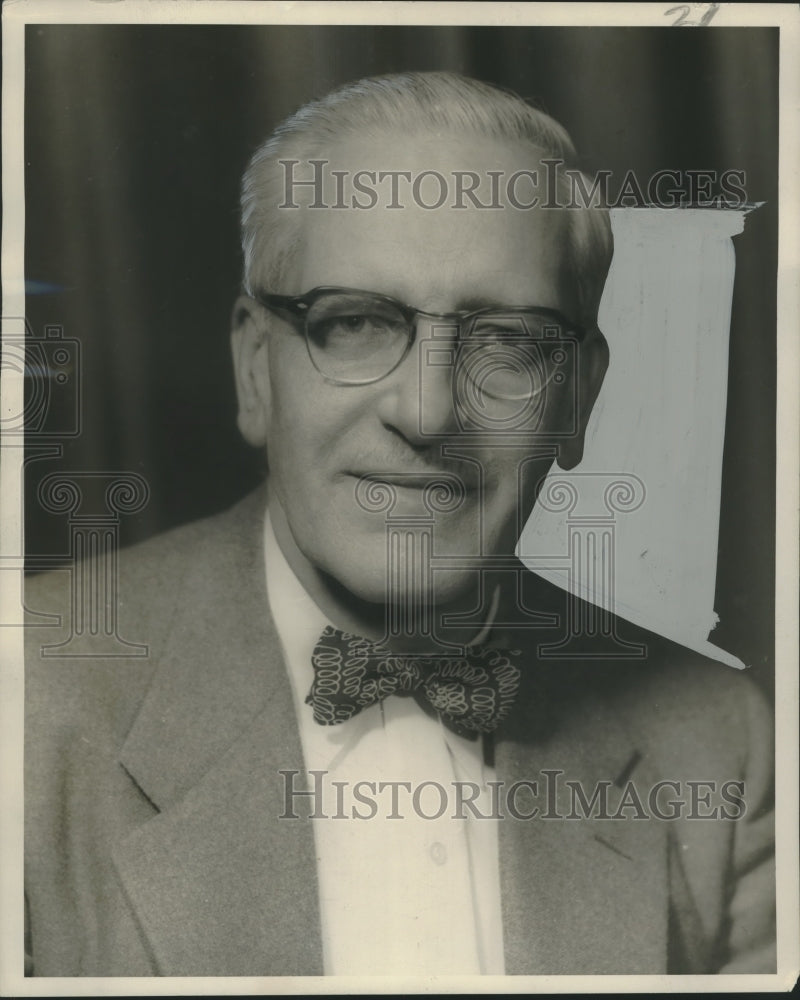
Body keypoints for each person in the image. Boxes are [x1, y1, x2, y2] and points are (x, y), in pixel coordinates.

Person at [24, 72, 775, 977]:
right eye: (357, 324)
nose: (426, 413)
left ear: (578, 396)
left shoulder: (718, 743)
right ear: (257, 371)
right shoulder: (25, 707)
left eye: (505, 339)